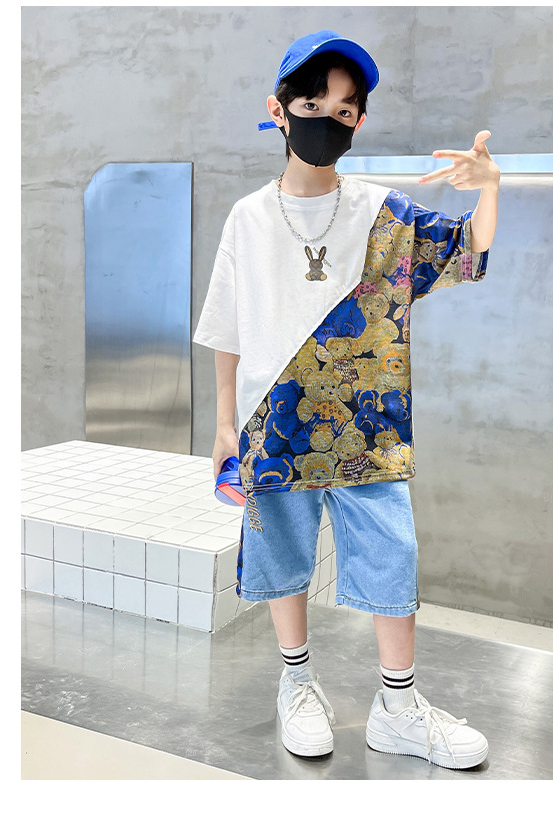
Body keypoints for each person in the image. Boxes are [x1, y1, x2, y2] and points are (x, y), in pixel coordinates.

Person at [193, 30, 500, 770]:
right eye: (312, 104)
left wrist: (489, 186)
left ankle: (399, 706)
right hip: (273, 420)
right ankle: (297, 685)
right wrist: (225, 423)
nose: (328, 119)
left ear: (359, 120)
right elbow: (228, 325)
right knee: (281, 554)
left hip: (370, 426)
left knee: (393, 555)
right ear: (279, 110)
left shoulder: (383, 212)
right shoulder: (247, 217)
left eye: (344, 109)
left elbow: (465, 253)